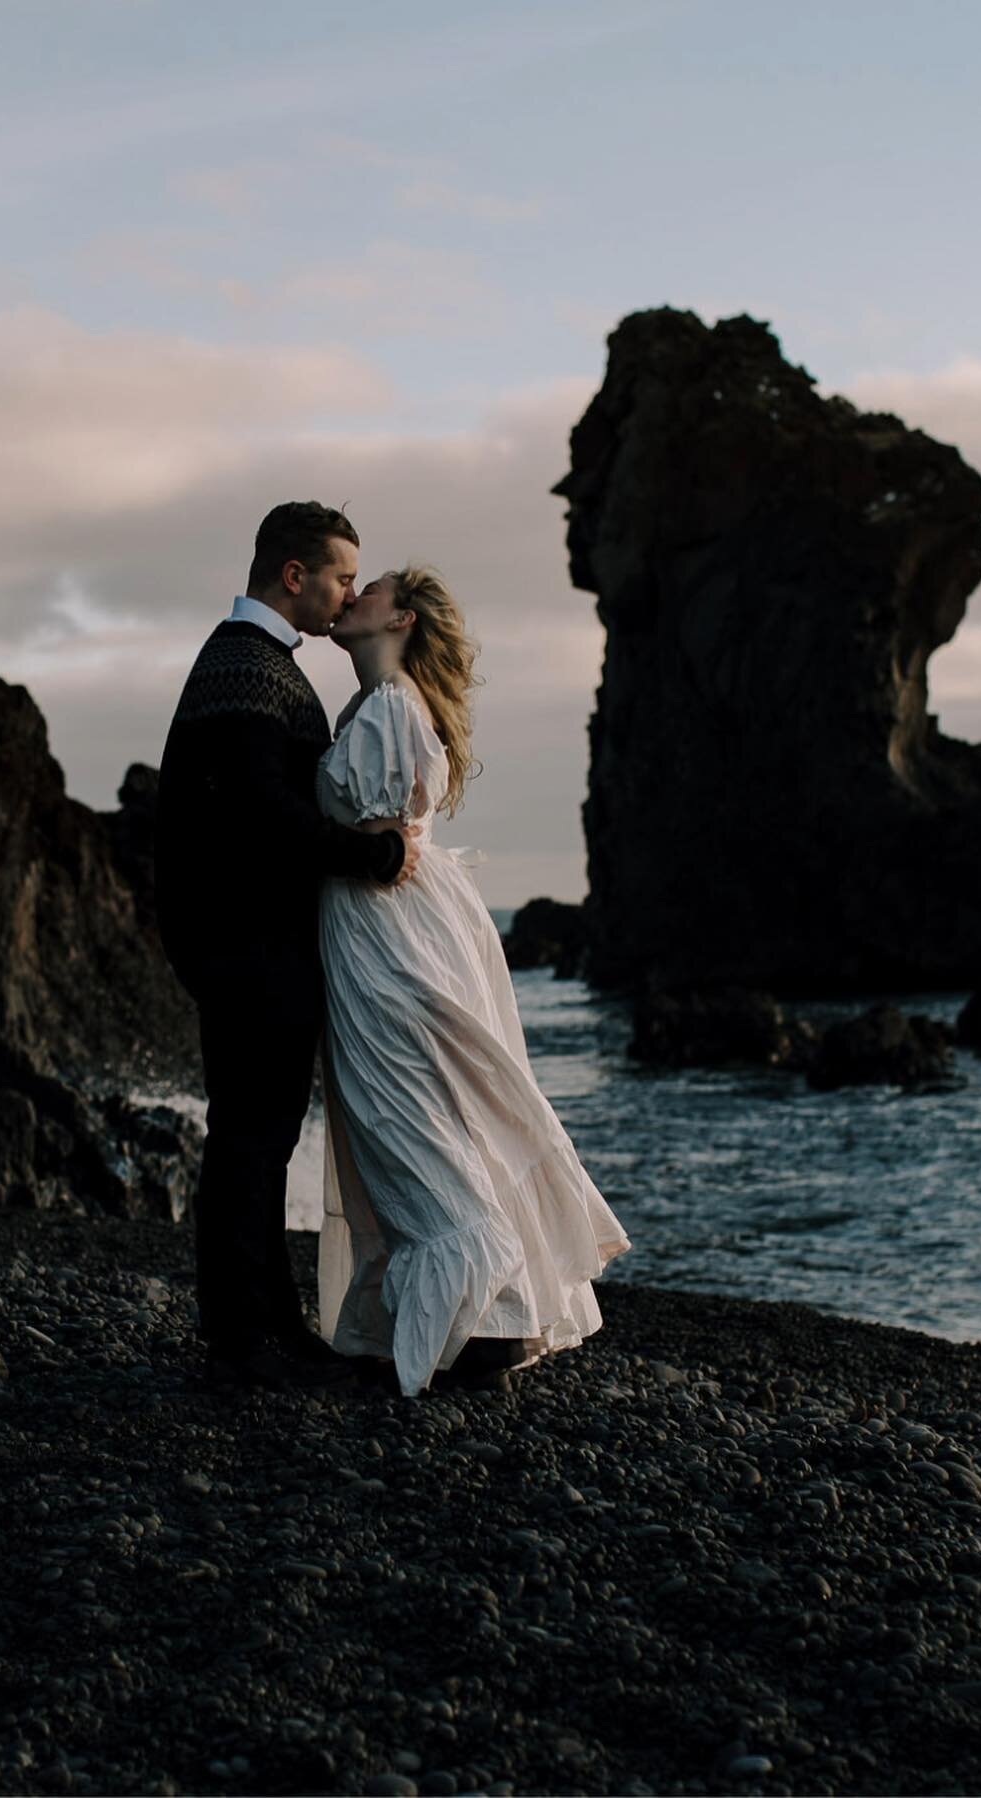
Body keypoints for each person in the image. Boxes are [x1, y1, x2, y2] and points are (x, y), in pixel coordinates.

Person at [315, 565, 632, 1397]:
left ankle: (480, 1301)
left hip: (385, 937)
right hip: (402, 928)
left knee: (404, 1110)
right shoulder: (383, 708)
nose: (352, 597)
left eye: (369, 587)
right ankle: (495, 1315)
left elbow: (377, 844)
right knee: (436, 1111)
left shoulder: (389, 709)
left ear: (405, 618)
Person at [154, 502, 419, 1391]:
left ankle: (263, 1322)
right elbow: (264, 817)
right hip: (248, 943)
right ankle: (244, 1335)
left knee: (253, 1133)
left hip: (244, 939)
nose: (351, 592)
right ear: (295, 576)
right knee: (251, 1137)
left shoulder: (248, 662)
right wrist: (375, 854)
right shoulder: (245, 667)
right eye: (343, 576)